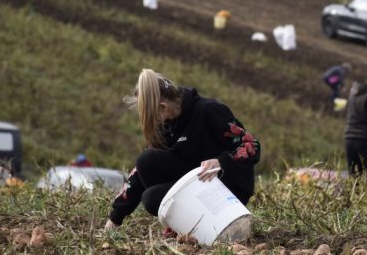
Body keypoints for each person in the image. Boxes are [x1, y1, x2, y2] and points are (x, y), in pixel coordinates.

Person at [106, 70, 260, 229]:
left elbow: (251, 146)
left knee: (151, 197)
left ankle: (214, 225)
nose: (152, 121)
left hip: (226, 189)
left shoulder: (208, 111)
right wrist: (115, 217)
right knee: (146, 168)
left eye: (151, 115)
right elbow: (139, 172)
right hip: (197, 184)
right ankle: (192, 227)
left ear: (163, 107)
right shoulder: (165, 126)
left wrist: (221, 161)